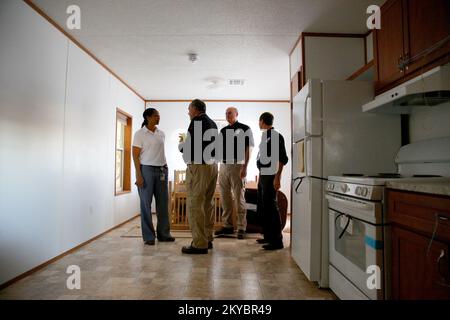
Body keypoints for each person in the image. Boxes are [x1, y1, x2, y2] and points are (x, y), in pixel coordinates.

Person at [179, 99, 218, 254]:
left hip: (199, 167)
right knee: (207, 204)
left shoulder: (196, 121)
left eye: (189, 109)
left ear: (195, 109)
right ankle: (207, 238)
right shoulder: (213, 124)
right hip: (213, 166)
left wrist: (181, 144)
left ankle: (199, 244)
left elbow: (188, 148)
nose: (188, 112)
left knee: (195, 204)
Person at [132, 108, 175, 245]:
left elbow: (160, 152)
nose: (158, 118)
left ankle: (164, 234)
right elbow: (135, 155)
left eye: (159, 115)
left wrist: (166, 166)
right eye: (156, 115)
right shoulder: (139, 134)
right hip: (146, 170)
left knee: (163, 203)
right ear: (148, 117)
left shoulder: (161, 133)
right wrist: (138, 175)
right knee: (146, 204)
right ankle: (149, 236)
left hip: (162, 169)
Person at [215, 107, 254, 239]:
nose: (227, 115)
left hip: (238, 165)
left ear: (237, 114)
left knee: (239, 197)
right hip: (224, 165)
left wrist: (245, 167)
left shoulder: (245, 128)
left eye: (230, 113)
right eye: (226, 113)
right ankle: (227, 226)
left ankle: (242, 227)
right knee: (225, 197)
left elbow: (249, 149)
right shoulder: (223, 130)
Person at [256, 112, 288, 250]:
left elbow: (282, 158)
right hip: (263, 174)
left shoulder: (275, 136)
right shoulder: (266, 137)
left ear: (262, 121)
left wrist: (278, 177)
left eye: (259, 121)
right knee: (264, 206)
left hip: (271, 175)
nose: (259, 124)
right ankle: (268, 237)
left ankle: (277, 241)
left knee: (271, 207)